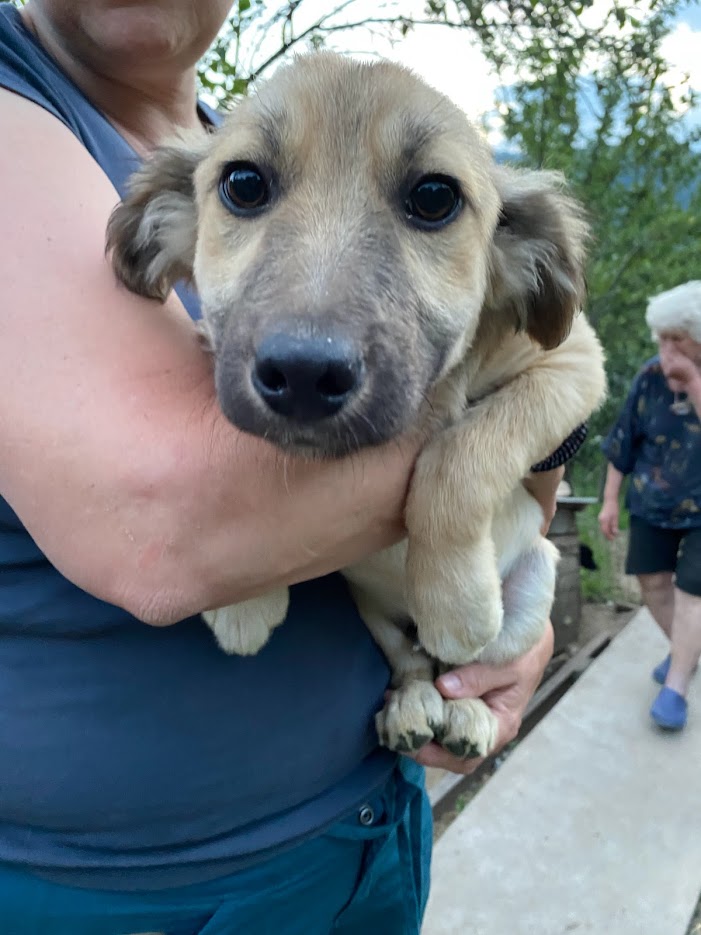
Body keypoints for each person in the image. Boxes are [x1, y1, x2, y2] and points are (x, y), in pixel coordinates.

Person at [0, 2, 565, 931]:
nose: (309, 334)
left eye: (428, 200)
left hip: (373, 819)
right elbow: (167, 531)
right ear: (154, 233)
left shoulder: (253, 132)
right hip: (118, 895)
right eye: (250, 190)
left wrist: (506, 567)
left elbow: (552, 387)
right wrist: (494, 423)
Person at [599, 281, 701, 732]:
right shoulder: (647, 379)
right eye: (661, 339)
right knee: (652, 584)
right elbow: (623, 442)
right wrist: (608, 502)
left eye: (675, 340)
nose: (665, 352)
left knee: (691, 594)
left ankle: (676, 685)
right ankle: (686, 652)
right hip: (652, 504)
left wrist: (693, 382)